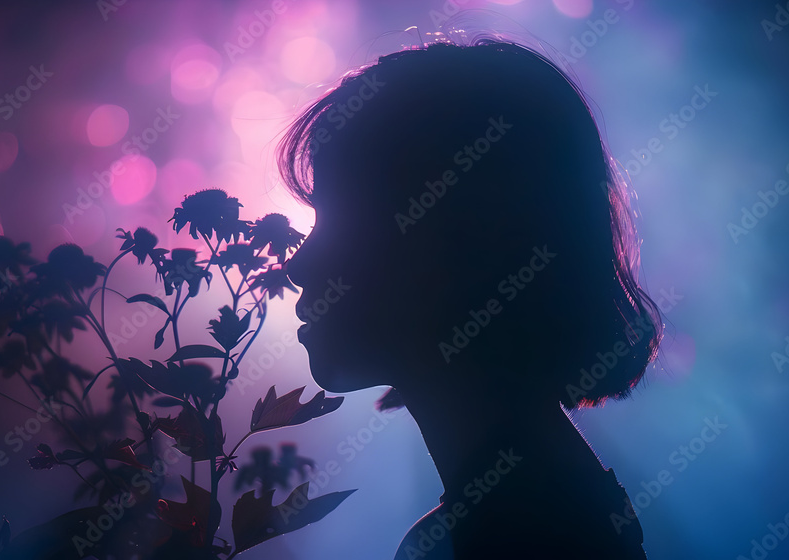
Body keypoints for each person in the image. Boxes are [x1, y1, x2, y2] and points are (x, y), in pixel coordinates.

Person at [280, 36, 662, 559]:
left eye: (347, 222)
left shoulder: (525, 535)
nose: (296, 264)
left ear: (466, 243)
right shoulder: (540, 509)